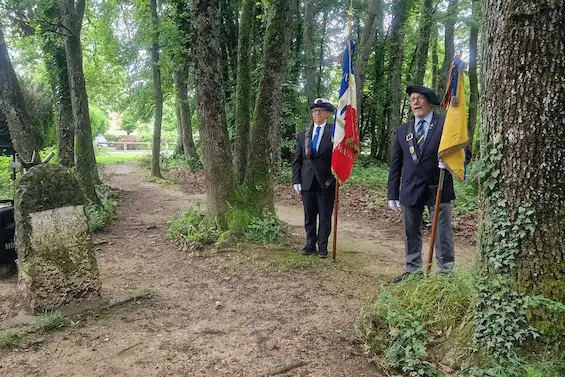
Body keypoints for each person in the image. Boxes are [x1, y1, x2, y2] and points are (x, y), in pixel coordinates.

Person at [387, 85, 459, 283]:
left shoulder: (445, 124)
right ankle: (413, 270)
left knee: (442, 233)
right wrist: (392, 193)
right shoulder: (403, 130)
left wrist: (450, 160)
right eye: (412, 99)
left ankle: (445, 274)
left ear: (429, 101)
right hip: (410, 189)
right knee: (411, 232)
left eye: (419, 98)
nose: (415, 103)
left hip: (439, 187)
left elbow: (463, 152)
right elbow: (396, 165)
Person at [292, 98, 336, 259]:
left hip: (327, 182)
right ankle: (310, 244)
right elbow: (297, 160)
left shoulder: (335, 133)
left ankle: (322, 246)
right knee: (309, 215)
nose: (317, 113)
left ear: (328, 114)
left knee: (325, 216)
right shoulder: (303, 135)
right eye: (314, 110)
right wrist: (296, 180)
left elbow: (340, 158)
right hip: (307, 181)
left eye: (321, 110)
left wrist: (336, 177)